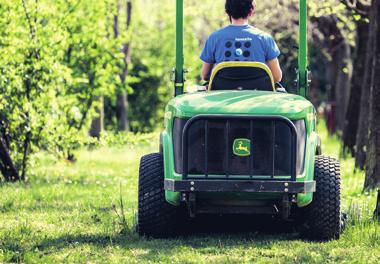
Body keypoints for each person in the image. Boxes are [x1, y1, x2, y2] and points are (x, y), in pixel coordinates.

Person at [200, 0, 282, 83]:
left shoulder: (214, 38)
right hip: (256, 94)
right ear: (250, 11)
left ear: (227, 12)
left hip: (224, 94)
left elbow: (205, 75)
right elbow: (277, 77)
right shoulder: (265, 38)